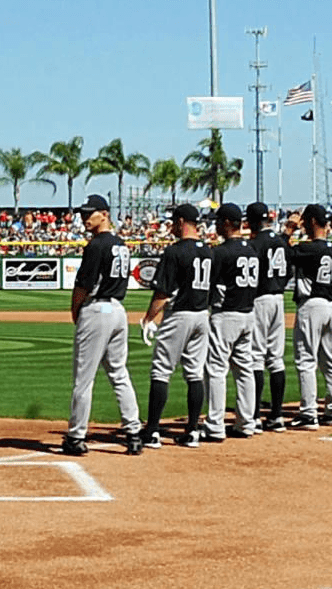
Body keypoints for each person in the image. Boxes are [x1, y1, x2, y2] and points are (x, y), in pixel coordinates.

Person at [57, 194, 144, 457]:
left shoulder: (96, 245)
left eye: (89, 213)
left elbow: (82, 285)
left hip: (97, 310)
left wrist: (75, 313)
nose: (84, 218)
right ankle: (134, 433)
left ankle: (76, 437)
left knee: (84, 379)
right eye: (83, 213)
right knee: (119, 373)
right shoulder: (122, 244)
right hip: (118, 310)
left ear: (104, 214)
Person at [139, 204, 212, 447]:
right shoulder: (209, 251)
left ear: (181, 222)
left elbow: (163, 292)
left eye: (173, 221)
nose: (171, 225)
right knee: (194, 372)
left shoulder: (175, 251)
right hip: (202, 314)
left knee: (161, 370)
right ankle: (192, 431)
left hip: (180, 313)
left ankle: (152, 431)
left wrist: (149, 318)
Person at [286, 204, 332, 428]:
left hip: (311, 305)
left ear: (313, 222)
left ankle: (308, 413)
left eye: (305, 221)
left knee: (306, 361)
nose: (302, 225)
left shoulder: (308, 249)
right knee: (330, 361)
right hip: (331, 306)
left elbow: (281, 251)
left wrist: (289, 229)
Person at [205, 203, 260, 439]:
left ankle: (215, 425)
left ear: (227, 222)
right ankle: (246, 422)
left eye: (218, 221)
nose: (215, 225)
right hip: (248, 312)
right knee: (244, 369)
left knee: (217, 370)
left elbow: (210, 286)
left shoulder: (221, 252)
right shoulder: (252, 250)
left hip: (226, 314)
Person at [247, 202, 293, 430]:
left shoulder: (255, 243)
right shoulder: (281, 242)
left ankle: (254, 416)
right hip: (279, 298)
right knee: (275, 358)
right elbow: (290, 271)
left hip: (261, 299)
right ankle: (276, 415)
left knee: (256, 357)